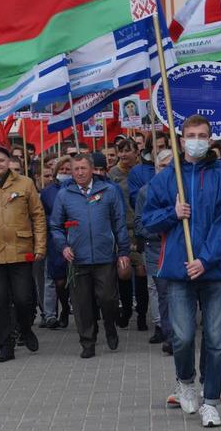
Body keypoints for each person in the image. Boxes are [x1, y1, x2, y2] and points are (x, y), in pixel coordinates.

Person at [143, 115, 221, 428]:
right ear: (181, 139)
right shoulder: (165, 178)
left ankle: (211, 401)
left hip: (212, 271)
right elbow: (145, 222)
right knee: (183, 336)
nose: (196, 140)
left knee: (215, 339)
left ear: (211, 139)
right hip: (176, 271)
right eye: (191, 135)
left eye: (202, 135)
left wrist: (207, 258)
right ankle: (185, 381)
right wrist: (171, 214)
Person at [50, 153, 131, 358]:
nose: (79, 172)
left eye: (83, 168)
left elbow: (119, 223)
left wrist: (123, 251)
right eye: (75, 169)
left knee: (108, 299)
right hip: (77, 258)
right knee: (82, 304)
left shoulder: (108, 191)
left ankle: (110, 326)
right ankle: (88, 341)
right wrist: (63, 246)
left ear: (92, 169)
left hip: (105, 256)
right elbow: (56, 226)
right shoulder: (64, 194)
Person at [0, 146, 46, 363]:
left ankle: (25, 328)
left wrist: (40, 246)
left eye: (1, 160)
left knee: (24, 299)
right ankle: (5, 345)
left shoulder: (25, 183)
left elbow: (38, 216)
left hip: (21, 250)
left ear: (7, 161)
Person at [134, 148, 174, 351]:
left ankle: (181, 332)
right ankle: (168, 336)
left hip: (180, 250)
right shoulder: (145, 192)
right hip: (156, 251)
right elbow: (139, 224)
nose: (166, 170)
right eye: (163, 166)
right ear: (156, 168)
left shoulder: (184, 189)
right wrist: (158, 232)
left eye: (170, 166)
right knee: (163, 294)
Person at [109, 139, 148, 330]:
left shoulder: (142, 172)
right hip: (121, 227)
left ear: (136, 152)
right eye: (120, 151)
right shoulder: (112, 175)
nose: (123, 154)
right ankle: (126, 308)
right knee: (123, 271)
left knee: (141, 270)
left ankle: (142, 313)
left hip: (139, 227)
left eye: (127, 151)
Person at [40, 157, 73, 329]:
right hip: (56, 240)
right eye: (63, 169)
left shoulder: (77, 188)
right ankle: (64, 308)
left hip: (77, 237)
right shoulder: (47, 192)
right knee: (59, 280)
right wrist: (56, 220)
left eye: (69, 169)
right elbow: (41, 215)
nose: (65, 172)